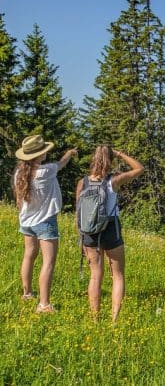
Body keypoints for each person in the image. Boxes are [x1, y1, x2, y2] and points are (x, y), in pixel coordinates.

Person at [76, 145, 144, 322]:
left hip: (89, 231)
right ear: (110, 160)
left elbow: (78, 213)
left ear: (93, 159)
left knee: (95, 275)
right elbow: (139, 168)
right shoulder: (113, 181)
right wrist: (120, 153)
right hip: (111, 227)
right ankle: (114, 320)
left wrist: (81, 239)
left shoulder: (82, 182)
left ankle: (95, 319)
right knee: (118, 275)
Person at [13, 135, 78, 313]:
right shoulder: (47, 171)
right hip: (45, 221)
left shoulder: (19, 173)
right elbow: (62, 163)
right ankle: (44, 304)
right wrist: (70, 153)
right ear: (39, 155)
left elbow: (19, 200)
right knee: (48, 262)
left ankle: (27, 294)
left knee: (29, 256)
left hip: (26, 220)